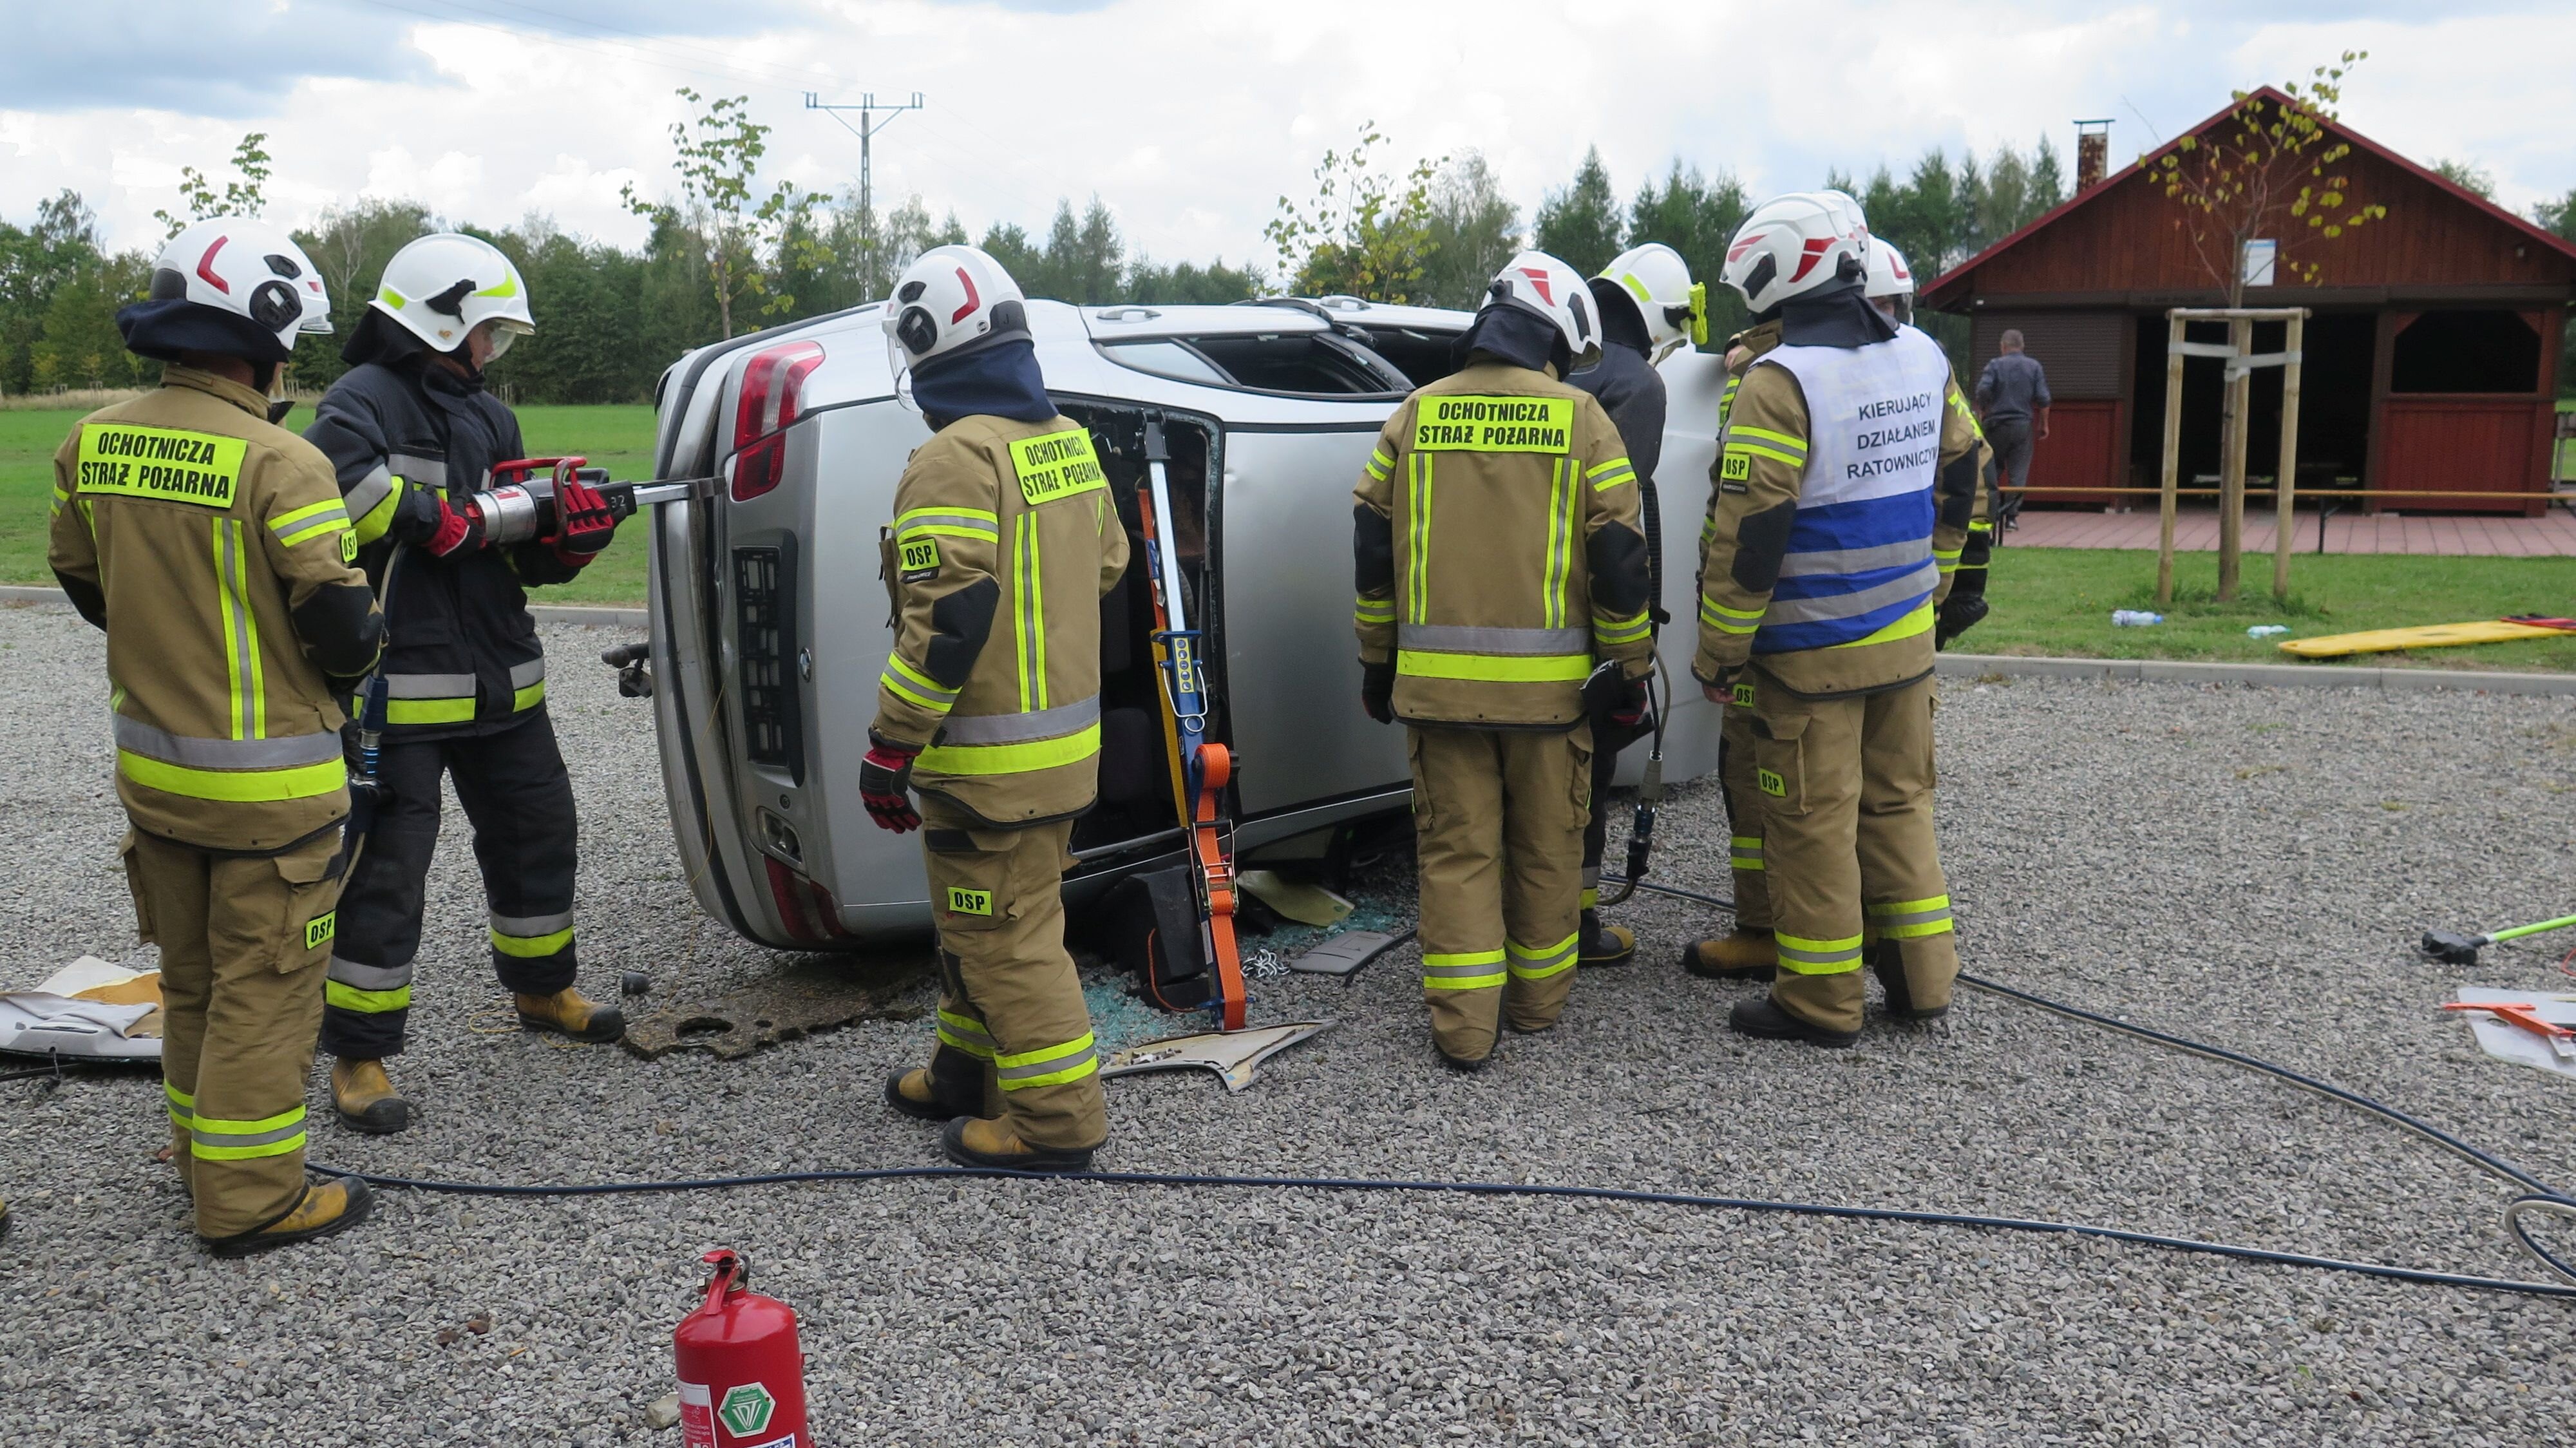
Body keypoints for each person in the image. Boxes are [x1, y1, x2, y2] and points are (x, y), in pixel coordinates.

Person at [49, 217, 384, 1253]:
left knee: (192, 982)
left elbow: (84, 581)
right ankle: (249, 1201)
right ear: (260, 336)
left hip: (156, 783)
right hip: (273, 801)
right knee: (266, 994)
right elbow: (343, 631)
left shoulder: (93, 440)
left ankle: (202, 1155)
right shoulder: (283, 461)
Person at [304, 233, 624, 1134]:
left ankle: (543, 989)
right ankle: (359, 1055)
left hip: (503, 686)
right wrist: (431, 516)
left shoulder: (489, 417)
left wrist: (566, 540)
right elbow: (335, 492)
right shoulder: (359, 401)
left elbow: (509, 556)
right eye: (487, 331)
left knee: (538, 833)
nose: (491, 351)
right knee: (386, 874)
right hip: (399, 695)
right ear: (437, 321)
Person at [1691, 195, 1988, 1047]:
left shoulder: (1779, 382)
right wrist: (1935, 578)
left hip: (1810, 654)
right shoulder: (1922, 354)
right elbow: (1964, 471)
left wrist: (1720, 653)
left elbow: (1752, 536)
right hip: (1904, 641)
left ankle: (1820, 1001)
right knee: (1899, 808)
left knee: (1813, 821)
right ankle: (1924, 984)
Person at [1354, 251, 1656, 1069]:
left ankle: (1462, 1031)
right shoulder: (1582, 419)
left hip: (1438, 699)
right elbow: (1620, 561)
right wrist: (1629, 668)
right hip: (1552, 703)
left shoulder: (1413, 415)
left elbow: (1372, 553)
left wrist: (1377, 663)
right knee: (1546, 850)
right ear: (1554, 334)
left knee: (1457, 855)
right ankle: (1534, 1007)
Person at [867, 245, 1128, 1172]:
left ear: (929, 342)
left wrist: (889, 745)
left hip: (986, 767)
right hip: (1059, 756)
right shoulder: (1064, 441)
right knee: (973, 922)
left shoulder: (952, 459)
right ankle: (965, 1074)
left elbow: (947, 624)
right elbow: (1109, 564)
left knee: (1006, 941)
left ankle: (1056, 1125)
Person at [1566, 242, 1703, 967]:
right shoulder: (1638, 385)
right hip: (1588, 620)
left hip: (1509, 615)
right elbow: (1616, 523)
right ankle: (1575, 923)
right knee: (1580, 775)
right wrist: (1629, 651)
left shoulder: (1555, 362)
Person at [1864, 240, 1997, 649]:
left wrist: (1959, 586)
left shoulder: (1920, 364)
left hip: (1925, 550)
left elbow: (1971, 464)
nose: (1874, 319)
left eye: (1884, 306)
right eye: (1866, 306)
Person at [1974, 329, 2050, 531]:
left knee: (1991, 469)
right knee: (2018, 472)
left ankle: (1989, 513)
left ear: (2003, 346)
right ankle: (2011, 517)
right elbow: (2043, 399)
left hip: (1995, 425)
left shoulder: (1994, 365)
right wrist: (2044, 424)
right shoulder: (2034, 367)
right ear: (2022, 346)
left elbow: (1983, 390)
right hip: (2022, 426)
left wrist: (1984, 409)